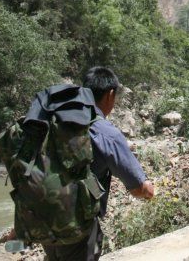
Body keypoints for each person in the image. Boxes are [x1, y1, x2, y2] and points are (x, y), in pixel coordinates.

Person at [43, 66, 155, 261]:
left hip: (46, 219)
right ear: (110, 95)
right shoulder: (106, 133)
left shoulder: (57, 122)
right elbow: (140, 188)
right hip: (77, 228)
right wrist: (151, 191)